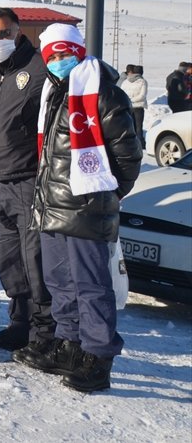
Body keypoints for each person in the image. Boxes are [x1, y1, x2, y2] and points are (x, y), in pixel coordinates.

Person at [13, 24, 141, 392]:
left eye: (65, 53)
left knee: (91, 286)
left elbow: (128, 157)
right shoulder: (54, 93)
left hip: (85, 210)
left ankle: (98, 357)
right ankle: (68, 347)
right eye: (51, 55)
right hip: (53, 207)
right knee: (60, 283)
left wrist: (105, 195)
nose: (58, 60)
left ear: (80, 52)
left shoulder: (104, 95)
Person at [0, 8, 55, 351]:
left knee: (36, 261)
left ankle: (45, 334)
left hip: (29, 181)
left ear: (18, 33)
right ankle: (19, 325)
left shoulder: (38, 68)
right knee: (9, 260)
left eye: (3, 33)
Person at [118, 64, 147, 140]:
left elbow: (122, 93)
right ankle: (139, 144)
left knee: (131, 127)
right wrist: (133, 100)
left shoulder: (125, 82)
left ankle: (132, 143)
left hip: (129, 107)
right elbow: (142, 95)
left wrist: (129, 100)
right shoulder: (142, 82)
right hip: (139, 107)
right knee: (139, 128)